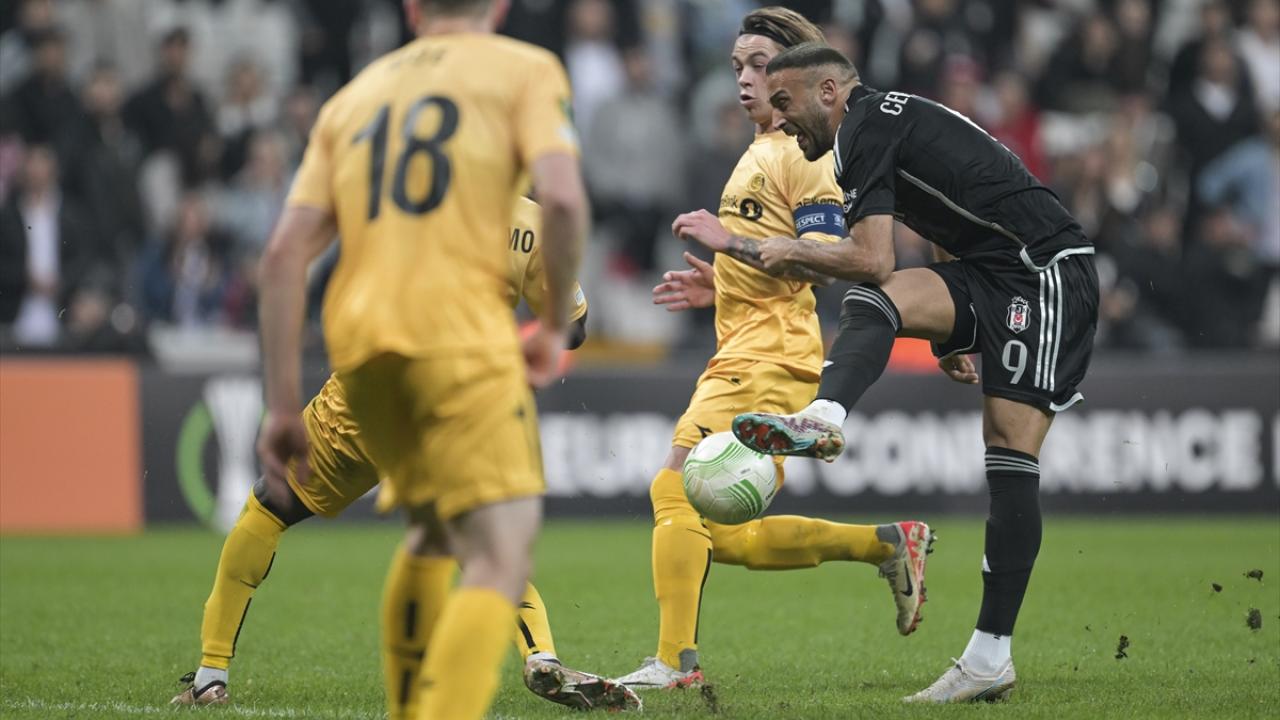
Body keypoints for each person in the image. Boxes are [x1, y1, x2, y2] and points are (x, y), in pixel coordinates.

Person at [714, 43, 1098, 702]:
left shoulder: (863, 130)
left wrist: (787, 249)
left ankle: (989, 658)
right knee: (877, 302)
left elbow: (872, 255)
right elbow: (945, 214)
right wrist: (950, 332)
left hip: (1044, 272)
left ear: (828, 92)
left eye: (785, 102)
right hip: (989, 269)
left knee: (1008, 445)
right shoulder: (876, 123)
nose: (778, 119)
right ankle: (823, 416)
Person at [252, 2, 588, 718]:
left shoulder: (354, 97)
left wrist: (281, 406)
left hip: (362, 345)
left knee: (433, 531)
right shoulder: (525, 69)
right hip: (460, 333)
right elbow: (561, 200)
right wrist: (554, 323)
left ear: (411, 9)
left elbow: (282, 255)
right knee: (498, 555)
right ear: (498, 6)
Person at [172, 198, 637, 713]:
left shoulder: (399, 180)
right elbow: (573, 328)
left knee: (267, 509)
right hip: (454, 401)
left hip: (368, 392)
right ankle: (540, 655)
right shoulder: (530, 222)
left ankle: (210, 676)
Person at [616, 7, 934, 692]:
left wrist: (728, 242)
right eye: (737, 66)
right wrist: (723, 283)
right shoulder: (759, 149)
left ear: (794, 75)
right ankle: (885, 543)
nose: (744, 79)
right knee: (723, 534)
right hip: (748, 350)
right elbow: (779, 265)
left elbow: (823, 256)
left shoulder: (801, 155)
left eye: (759, 65)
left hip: (769, 361)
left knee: (672, 486)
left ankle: (674, 665)